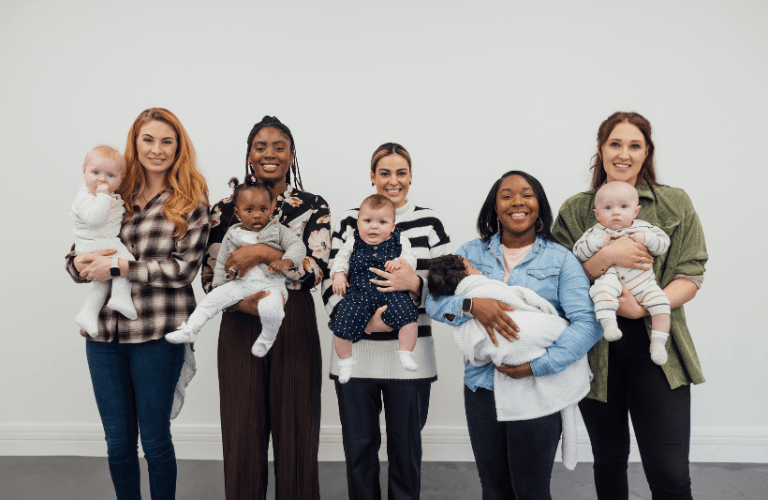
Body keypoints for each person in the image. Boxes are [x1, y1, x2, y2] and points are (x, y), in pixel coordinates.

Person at [552, 111, 708, 500]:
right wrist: (605, 258)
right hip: (594, 356)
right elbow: (554, 279)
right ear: (601, 150)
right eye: (615, 144)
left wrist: (641, 310)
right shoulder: (575, 210)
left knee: (670, 474)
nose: (624, 154)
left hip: (659, 354)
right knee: (608, 463)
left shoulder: (674, 204)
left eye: (634, 145)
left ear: (646, 152)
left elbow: (691, 274)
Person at [426, 170, 601, 500]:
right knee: (494, 490)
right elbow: (432, 301)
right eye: (507, 196)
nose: (517, 202)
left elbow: (587, 323)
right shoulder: (470, 253)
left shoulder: (560, 259)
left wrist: (539, 366)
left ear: (539, 205)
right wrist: (471, 304)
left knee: (531, 492)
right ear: (494, 207)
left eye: (527, 194)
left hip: (537, 388)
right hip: (482, 388)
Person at [65, 108, 210, 500]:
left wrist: (119, 269)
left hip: (157, 333)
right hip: (103, 337)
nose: (157, 149)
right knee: (117, 443)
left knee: (156, 440)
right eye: (148, 140)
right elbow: (80, 251)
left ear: (178, 147)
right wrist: (79, 264)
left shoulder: (192, 198)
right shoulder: (111, 190)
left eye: (167, 141)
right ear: (135, 142)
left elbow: (183, 270)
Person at [201, 116, 330, 500]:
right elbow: (211, 276)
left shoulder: (312, 206)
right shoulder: (223, 210)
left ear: (291, 155)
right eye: (261, 146)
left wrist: (261, 251)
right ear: (249, 155)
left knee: (297, 428)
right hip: (240, 321)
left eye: (279, 146)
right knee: (242, 429)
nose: (269, 153)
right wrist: (244, 303)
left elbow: (315, 270)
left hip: (294, 321)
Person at [321, 142, 451, 500]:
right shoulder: (351, 219)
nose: (393, 181)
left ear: (411, 176)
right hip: (355, 358)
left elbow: (449, 286)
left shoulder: (430, 222)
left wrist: (415, 284)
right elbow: (329, 281)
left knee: (405, 451)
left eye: (401, 173)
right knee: (359, 449)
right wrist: (364, 326)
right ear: (372, 176)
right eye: (384, 173)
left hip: (410, 359)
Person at [166, 179, 305, 357]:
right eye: (249, 210)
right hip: (240, 283)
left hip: (271, 285)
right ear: (237, 212)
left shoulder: (278, 230)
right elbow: (222, 260)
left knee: (272, 311)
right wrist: (220, 286)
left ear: (272, 208)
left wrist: (287, 261)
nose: (257, 215)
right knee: (211, 301)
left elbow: (298, 247)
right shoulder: (233, 233)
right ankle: (191, 328)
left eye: (263, 209)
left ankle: (268, 337)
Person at [573, 181, 672, 365]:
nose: (616, 212)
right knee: (601, 290)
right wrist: (596, 243)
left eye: (624, 206)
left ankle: (658, 343)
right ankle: (609, 324)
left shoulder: (645, 228)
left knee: (661, 302)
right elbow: (578, 252)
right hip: (611, 279)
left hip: (644, 283)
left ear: (636, 211)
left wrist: (647, 239)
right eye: (608, 207)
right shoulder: (595, 232)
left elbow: (663, 244)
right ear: (597, 214)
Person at [329, 194, 420, 383]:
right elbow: (340, 259)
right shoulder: (352, 241)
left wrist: (401, 263)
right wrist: (338, 274)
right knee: (341, 322)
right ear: (358, 223)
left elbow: (411, 257)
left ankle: (405, 352)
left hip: (391, 292)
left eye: (382, 222)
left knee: (409, 317)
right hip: (359, 294)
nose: (374, 226)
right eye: (367, 220)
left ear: (392, 227)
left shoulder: (400, 239)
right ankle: (345, 362)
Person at [72, 145, 137, 336]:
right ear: (84, 171)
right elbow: (95, 218)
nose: (101, 179)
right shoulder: (87, 196)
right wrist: (103, 195)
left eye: (110, 176)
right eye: (95, 172)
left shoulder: (106, 196)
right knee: (127, 262)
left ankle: (87, 314)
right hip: (98, 244)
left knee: (102, 283)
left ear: (120, 179)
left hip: (98, 243)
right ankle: (120, 297)